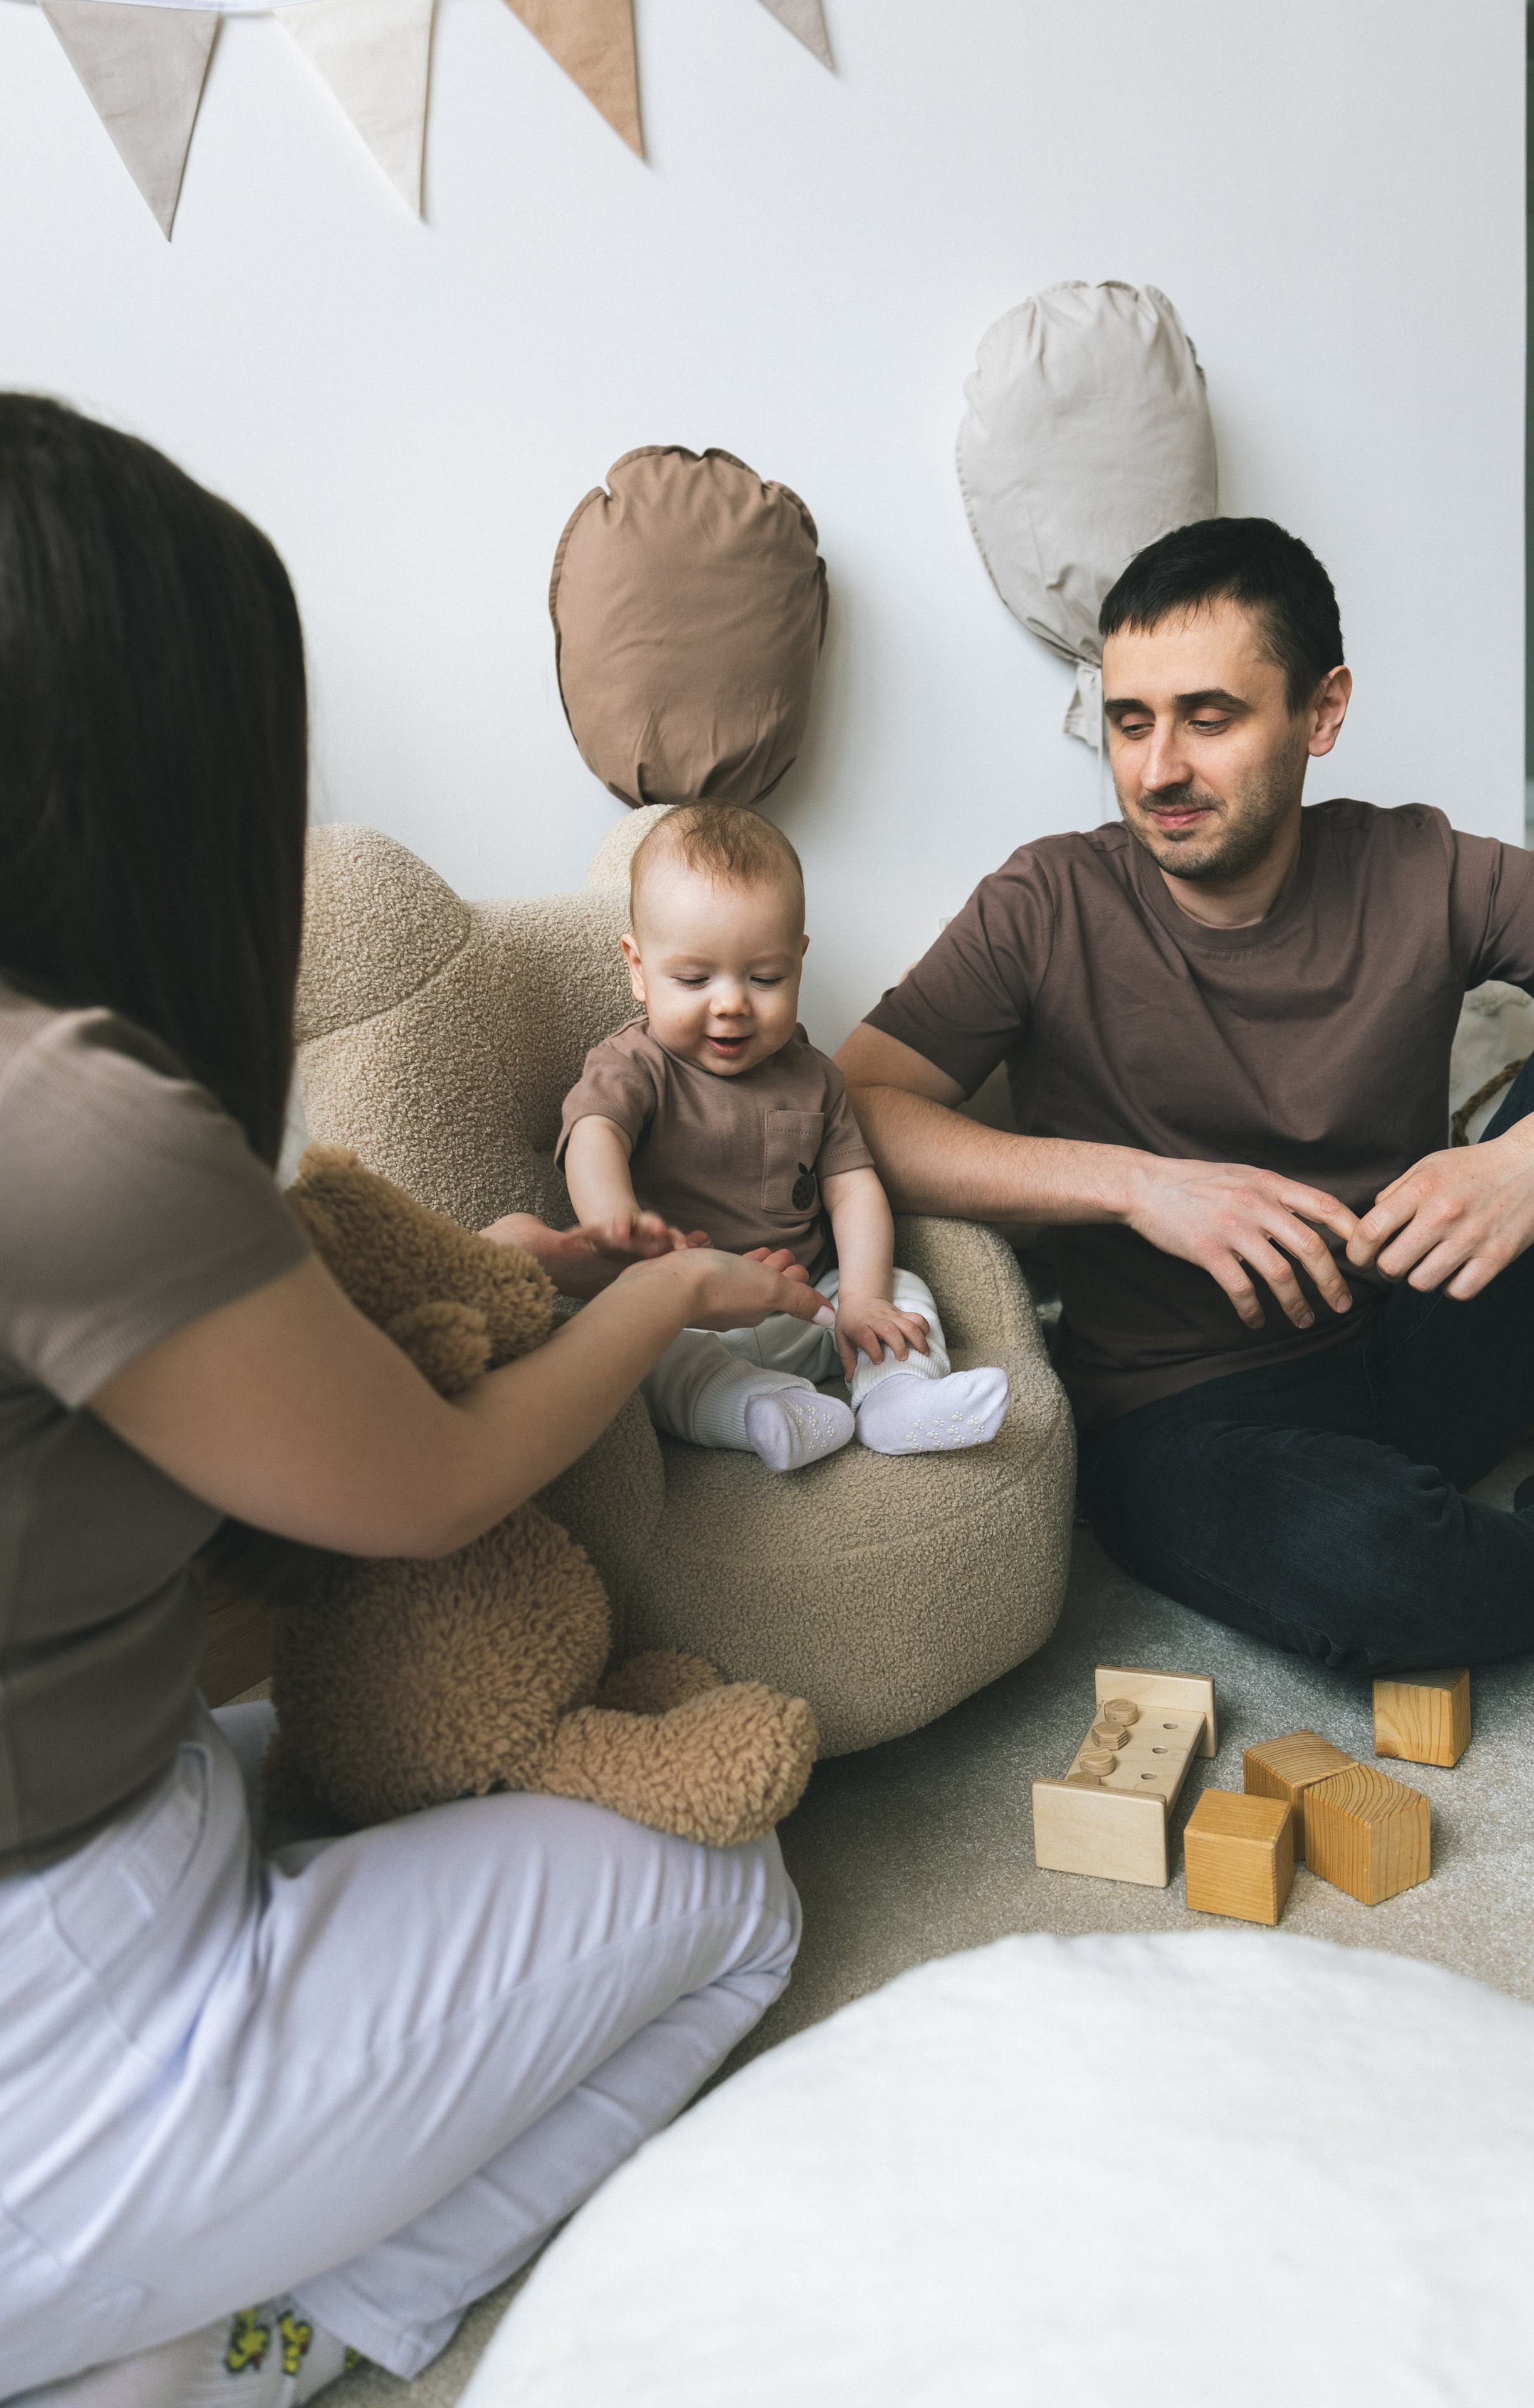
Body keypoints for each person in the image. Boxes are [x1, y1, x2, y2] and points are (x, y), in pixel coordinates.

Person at [0, 397, 830, 2402]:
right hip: (65, 2010)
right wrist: (667, 1299)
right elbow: (436, 1488)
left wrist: (484, 1269)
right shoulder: (67, 1116)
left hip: (126, 1839)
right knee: (736, 1891)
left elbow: (272, 1348)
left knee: (375, 1739)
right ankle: (263, 2335)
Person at [836, 515, 1534, 1722]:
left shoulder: (1424, 866)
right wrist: (1140, 1184)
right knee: (1377, 1570)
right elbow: (854, 1112)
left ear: (1321, 710)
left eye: (1209, 716)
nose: (1157, 770)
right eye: (1131, 722)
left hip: (1416, 1332)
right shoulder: (1047, 901)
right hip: (1186, 1416)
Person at [557, 801, 1010, 1471]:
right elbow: (595, 1133)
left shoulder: (814, 1079)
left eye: (764, 978)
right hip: (686, 1311)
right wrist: (613, 1222)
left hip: (805, 1305)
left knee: (903, 1289)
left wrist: (861, 1298)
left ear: (798, 960)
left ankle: (897, 1399)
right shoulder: (636, 1065)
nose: (732, 1003)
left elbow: (854, 1191)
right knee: (636, 1349)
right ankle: (760, 1412)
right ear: (637, 968)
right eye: (692, 978)